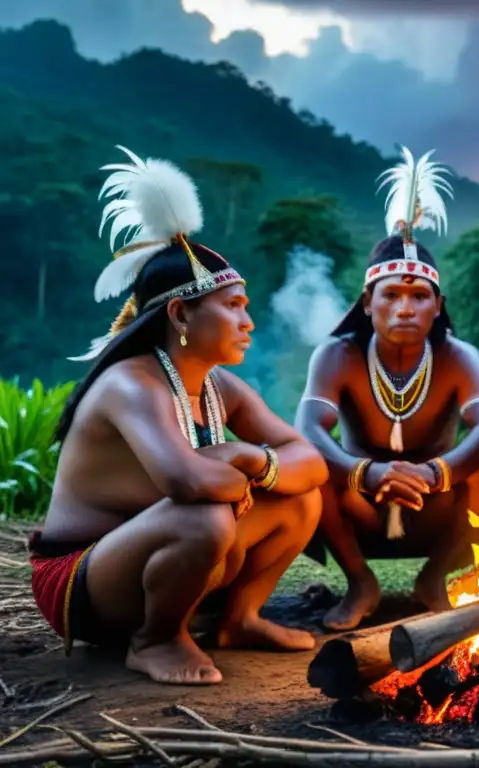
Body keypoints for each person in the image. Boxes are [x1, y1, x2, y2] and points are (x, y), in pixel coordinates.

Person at [29, 146, 329, 686]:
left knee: (300, 497)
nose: (248, 322)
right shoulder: (132, 383)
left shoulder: (220, 388)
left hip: (156, 558)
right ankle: (155, 640)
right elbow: (187, 481)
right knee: (207, 514)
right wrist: (245, 472)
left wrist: (243, 457)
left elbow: (310, 462)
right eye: (233, 306)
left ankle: (240, 619)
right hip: (82, 581)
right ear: (180, 313)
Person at [296, 146, 479, 631]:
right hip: (359, 509)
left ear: (437, 304)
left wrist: (435, 474)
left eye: (418, 296)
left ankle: (434, 578)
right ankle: (361, 583)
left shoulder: (459, 357)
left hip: (436, 510)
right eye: (391, 295)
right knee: (311, 471)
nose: (404, 308)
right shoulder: (337, 355)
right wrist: (363, 472)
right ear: (368, 302)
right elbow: (308, 427)